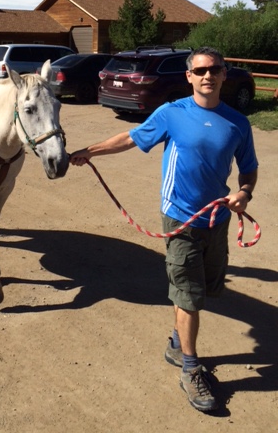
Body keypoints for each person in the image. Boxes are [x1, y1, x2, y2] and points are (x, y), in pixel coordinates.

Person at [70, 46, 258, 412]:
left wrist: (244, 192)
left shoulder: (239, 122)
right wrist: (89, 150)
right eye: (200, 70)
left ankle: (176, 344)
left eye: (215, 69)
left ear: (223, 74)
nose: (208, 75)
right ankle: (190, 367)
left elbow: (248, 168)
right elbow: (130, 138)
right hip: (180, 219)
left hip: (216, 220)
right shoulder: (171, 113)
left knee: (206, 288)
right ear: (188, 76)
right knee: (187, 296)